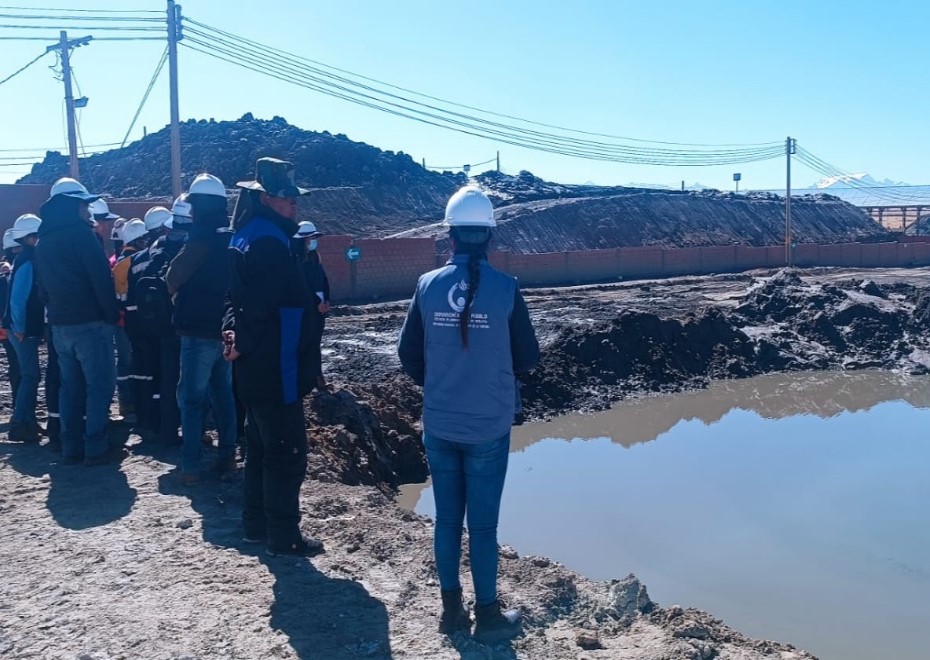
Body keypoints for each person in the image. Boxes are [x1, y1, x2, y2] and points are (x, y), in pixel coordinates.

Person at [397, 185, 539, 643]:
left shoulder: (426, 285)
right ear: (490, 238)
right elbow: (528, 358)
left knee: (446, 521)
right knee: (482, 526)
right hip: (487, 427)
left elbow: (408, 355)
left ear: (450, 237)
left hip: (439, 423)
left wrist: (440, 385)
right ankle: (489, 616)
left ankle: (451, 613)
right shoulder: (507, 289)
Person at [223, 157, 322, 556]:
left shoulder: (246, 234)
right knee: (285, 452)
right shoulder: (268, 242)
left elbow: (234, 299)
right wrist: (242, 338)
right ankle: (284, 536)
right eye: (286, 198)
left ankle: (255, 526)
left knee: (260, 448)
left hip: (257, 366)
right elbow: (261, 306)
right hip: (274, 364)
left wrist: (232, 332)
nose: (294, 204)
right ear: (264, 197)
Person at [34, 177, 119, 466]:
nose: (88, 211)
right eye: (84, 205)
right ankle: (95, 447)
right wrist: (110, 315)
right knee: (100, 385)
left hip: (60, 325)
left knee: (70, 387)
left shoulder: (43, 241)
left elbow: (41, 288)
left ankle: (71, 446)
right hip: (90, 324)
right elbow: (101, 279)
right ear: (72, 205)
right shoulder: (82, 236)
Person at [165, 176, 237, 483]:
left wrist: (178, 295)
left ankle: (191, 466)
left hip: (197, 332)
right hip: (224, 330)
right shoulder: (232, 238)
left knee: (191, 400)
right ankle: (227, 457)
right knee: (224, 396)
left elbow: (173, 276)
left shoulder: (199, 239)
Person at [127, 201, 186, 447]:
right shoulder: (180, 252)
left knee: (154, 376)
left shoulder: (138, 259)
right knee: (174, 377)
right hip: (174, 325)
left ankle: (155, 422)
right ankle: (173, 426)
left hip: (146, 327)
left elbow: (131, 297)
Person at [3, 214, 44, 442]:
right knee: (30, 375)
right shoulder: (28, 261)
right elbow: (18, 299)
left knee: (28, 374)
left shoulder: (24, 259)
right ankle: (21, 424)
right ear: (30, 238)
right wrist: (20, 326)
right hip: (21, 329)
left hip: (18, 328)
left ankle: (26, 421)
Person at [116, 218, 157, 431]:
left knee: (128, 364)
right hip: (135, 321)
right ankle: (135, 402)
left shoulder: (118, 262)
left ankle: (127, 402)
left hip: (123, 322)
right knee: (138, 362)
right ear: (140, 240)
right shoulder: (133, 262)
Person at [293, 221, 331, 390]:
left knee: (315, 343)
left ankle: (317, 377)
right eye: (311, 238)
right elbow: (302, 288)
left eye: (315, 237)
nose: (314, 240)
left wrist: (326, 300)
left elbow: (324, 281)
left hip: (319, 310)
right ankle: (307, 379)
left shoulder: (316, 258)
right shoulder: (298, 261)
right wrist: (316, 303)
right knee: (306, 344)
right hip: (307, 310)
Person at [0, 229, 22, 408]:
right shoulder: (9, 271)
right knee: (19, 367)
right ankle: (19, 406)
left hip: (5, 327)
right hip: (11, 326)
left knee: (16, 366)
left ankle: (18, 404)